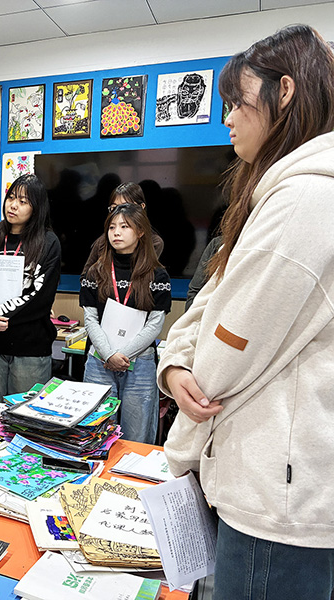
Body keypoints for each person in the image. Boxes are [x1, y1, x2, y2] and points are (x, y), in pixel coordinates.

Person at [158, 25, 334, 598]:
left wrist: (185, 385)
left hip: (275, 498)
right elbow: (210, 300)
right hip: (264, 478)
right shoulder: (277, 191)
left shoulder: (307, 197)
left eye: (237, 102)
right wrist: (175, 363)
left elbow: (230, 343)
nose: (228, 119)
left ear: (285, 91)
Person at [0, 174, 61, 401]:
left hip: (30, 349)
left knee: (25, 415)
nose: (13, 205)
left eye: (23, 201)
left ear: (36, 208)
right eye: (11, 198)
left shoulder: (48, 242)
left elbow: (40, 295)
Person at [80, 203, 171, 444]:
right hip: (100, 360)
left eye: (124, 227)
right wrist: (109, 354)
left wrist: (123, 354)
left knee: (136, 437)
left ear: (140, 231)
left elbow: (155, 324)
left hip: (139, 362)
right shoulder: (94, 272)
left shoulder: (157, 275)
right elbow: (90, 319)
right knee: (95, 435)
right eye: (112, 227)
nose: (116, 233)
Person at [82, 181, 164, 274]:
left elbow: (142, 275)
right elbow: (86, 276)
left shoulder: (154, 242)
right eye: (114, 208)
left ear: (141, 207)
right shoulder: (103, 241)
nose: (119, 212)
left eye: (126, 207)